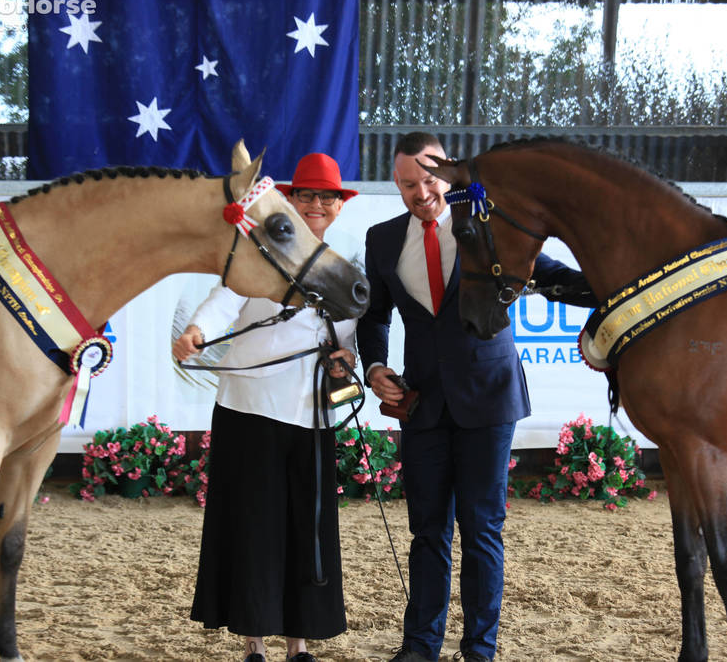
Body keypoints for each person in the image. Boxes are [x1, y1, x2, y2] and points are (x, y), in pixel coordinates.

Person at [356, 132, 597, 662]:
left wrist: (608, 289)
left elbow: (548, 275)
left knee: (483, 529)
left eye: (427, 180)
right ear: (395, 186)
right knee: (427, 531)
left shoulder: (486, 220)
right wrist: (374, 367)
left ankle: (479, 651)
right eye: (407, 184)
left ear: (447, 173)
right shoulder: (380, 240)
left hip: (489, 397)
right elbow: (374, 317)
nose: (420, 193)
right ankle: (420, 648)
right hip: (421, 402)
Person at [175, 153, 360, 662]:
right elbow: (226, 298)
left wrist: (349, 360)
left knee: (308, 529)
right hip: (249, 410)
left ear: (340, 207)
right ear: (291, 200)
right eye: (308, 195)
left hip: (311, 417)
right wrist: (197, 332)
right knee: (254, 528)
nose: (318, 205)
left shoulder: (344, 271)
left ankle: (298, 645)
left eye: (329, 197)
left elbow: (352, 341)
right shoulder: (259, 250)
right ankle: (254, 643)